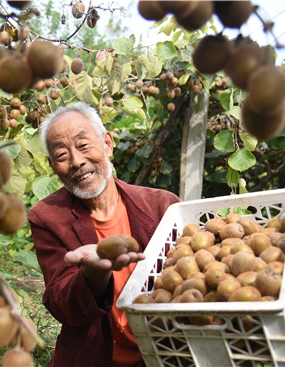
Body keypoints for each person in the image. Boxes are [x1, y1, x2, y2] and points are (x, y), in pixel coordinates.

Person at [28, 102, 180, 367]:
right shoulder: (47, 216)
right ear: (53, 166)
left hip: (163, 355)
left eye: (84, 145)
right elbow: (61, 305)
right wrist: (93, 275)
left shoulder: (162, 206)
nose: (77, 161)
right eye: (62, 155)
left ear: (107, 143)